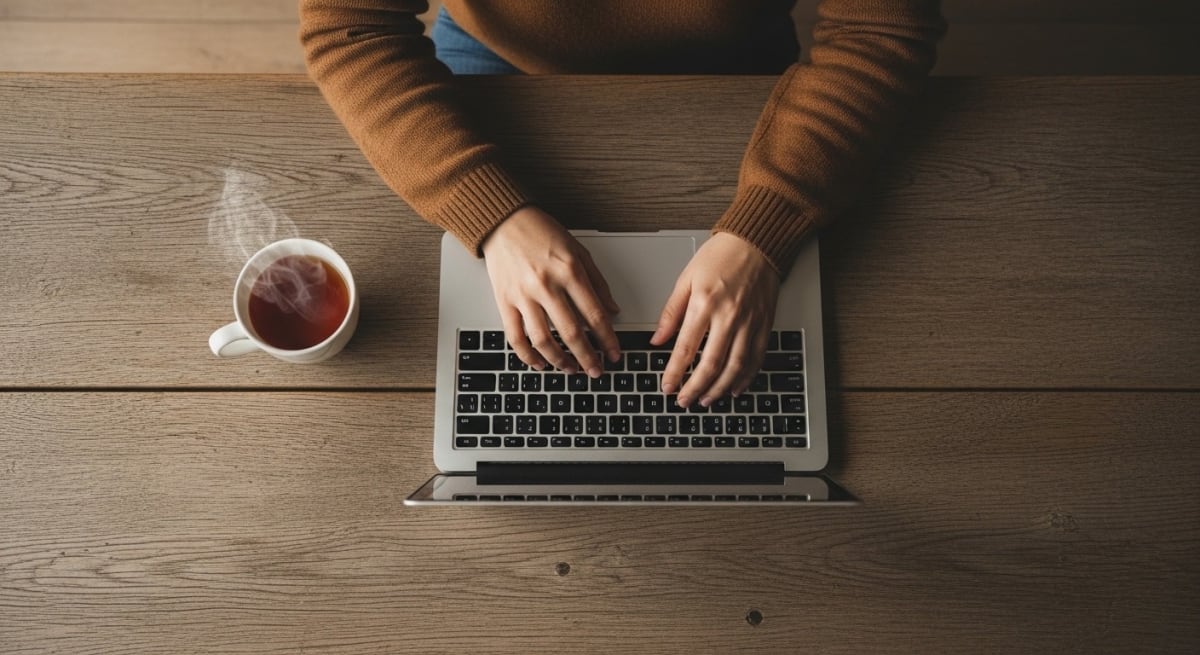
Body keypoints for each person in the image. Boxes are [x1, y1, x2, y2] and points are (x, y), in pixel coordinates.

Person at [299, 1, 945, 408]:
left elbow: (881, 25)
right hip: (498, 51)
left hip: (735, 64)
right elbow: (348, 23)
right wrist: (491, 215)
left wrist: (766, 224)